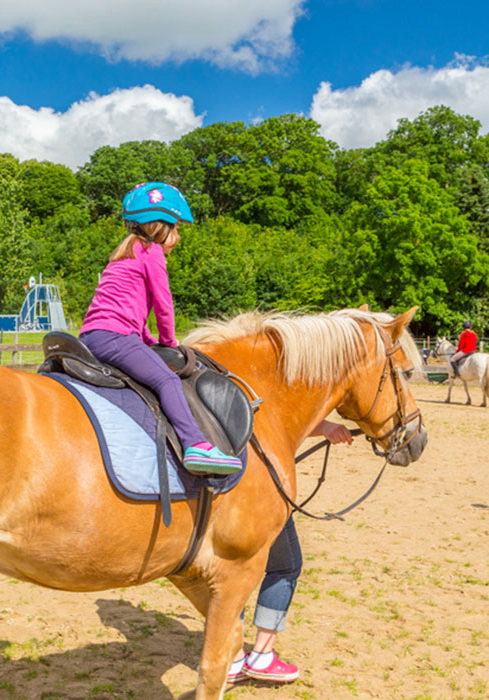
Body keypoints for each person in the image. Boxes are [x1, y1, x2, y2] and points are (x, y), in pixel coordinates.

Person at [79, 182, 242, 475]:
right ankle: (196, 445)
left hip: (92, 335)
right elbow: (163, 304)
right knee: (167, 381)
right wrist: (167, 340)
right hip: (115, 337)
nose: (177, 237)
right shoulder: (151, 251)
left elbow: (127, 310)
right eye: (175, 229)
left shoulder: (123, 255)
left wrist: (147, 339)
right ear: (158, 226)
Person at [228, 418, 352, 685]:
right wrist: (324, 426)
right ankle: (261, 655)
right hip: (262, 485)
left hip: (224, 482)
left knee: (231, 568)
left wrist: (325, 427)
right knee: (286, 566)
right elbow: (276, 414)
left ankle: (232, 657)